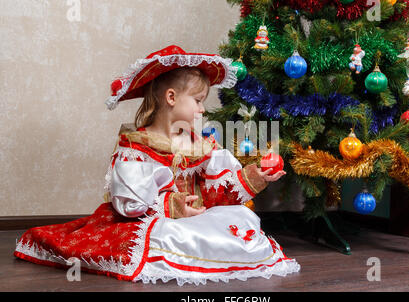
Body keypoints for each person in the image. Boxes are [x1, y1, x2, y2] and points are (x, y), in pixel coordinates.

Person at [14, 45, 300, 285]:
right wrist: (173, 207)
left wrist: (255, 176)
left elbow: (216, 193)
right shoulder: (138, 146)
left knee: (242, 218)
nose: (202, 110)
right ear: (172, 98)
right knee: (169, 234)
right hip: (153, 220)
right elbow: (131, 205)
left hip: (195, 218)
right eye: (198, 101)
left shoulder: (200, 144)